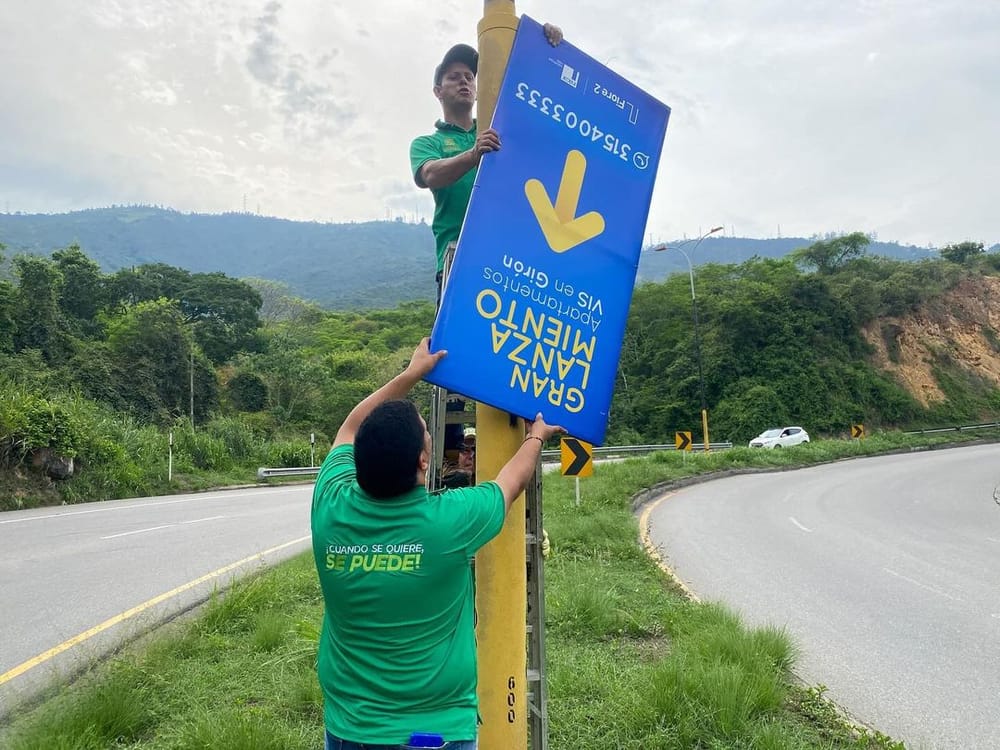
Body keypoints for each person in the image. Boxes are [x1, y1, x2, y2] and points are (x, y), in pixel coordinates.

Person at [311, 337, 565, 750]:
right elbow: (510, 483)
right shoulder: (450, 522)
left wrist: (410, 375)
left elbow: (350, 427)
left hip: (350, 729)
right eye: (427, 435)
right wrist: (535, 436)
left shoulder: (330, 507)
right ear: (423, 461)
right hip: (436, 732)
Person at [409, 22, 564, 297]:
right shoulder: (427, 143)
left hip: (508, 258)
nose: (464, 82)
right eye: (454, 77)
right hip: (459, 256)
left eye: (469, 77)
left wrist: (547, 49)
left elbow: (535, 106)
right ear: (438, 91)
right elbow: (430, 174)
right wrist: (473, 155)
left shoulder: (499, 127)